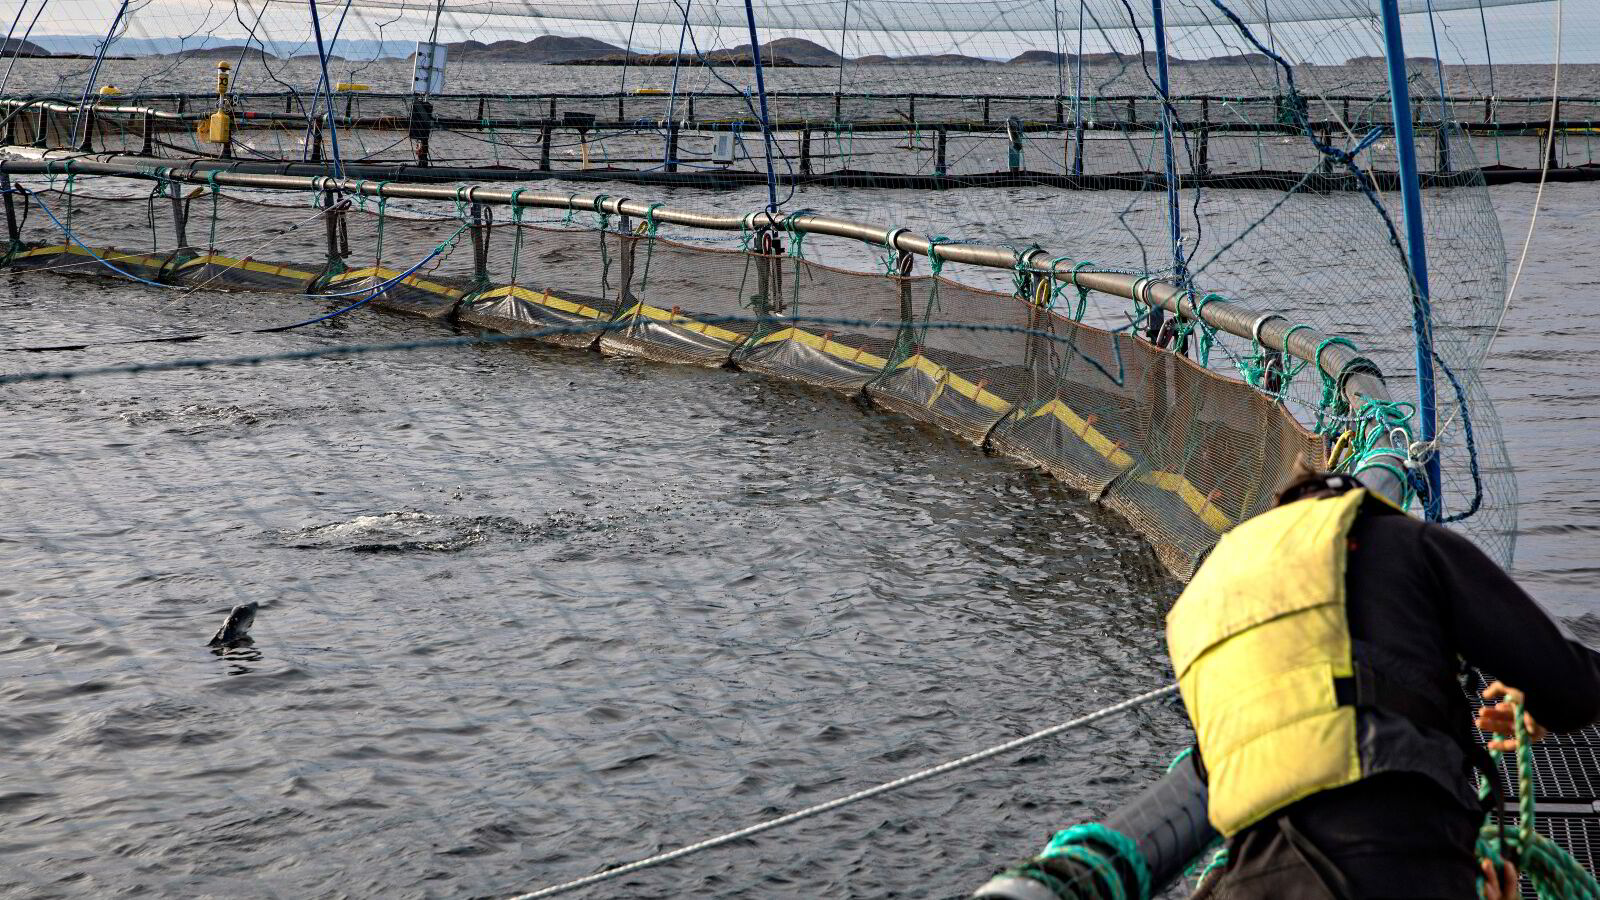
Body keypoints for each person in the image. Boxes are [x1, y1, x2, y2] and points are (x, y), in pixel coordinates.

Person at [1170, 460, 1600, 899]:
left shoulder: (1199, 601)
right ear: (1358, 504)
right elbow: (1576, 691)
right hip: (1403, 858)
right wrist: (1539, 708)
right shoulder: (1406, 542)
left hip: (1251, 877)